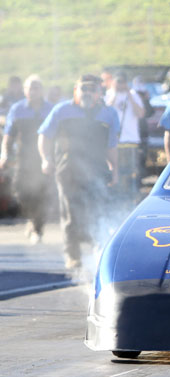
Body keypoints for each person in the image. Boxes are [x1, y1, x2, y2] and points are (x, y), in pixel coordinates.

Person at [38, 74, 120, 269]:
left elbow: (111, 146)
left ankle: (99, 250)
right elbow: (44, 136)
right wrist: (45, 159)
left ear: (100, 92)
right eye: (83, 88)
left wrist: (115, 168)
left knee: (98, 211)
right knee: (71, 213)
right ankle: (72, 255)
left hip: (97, 170)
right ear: (76, 90)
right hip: (68, 170)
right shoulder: (62, 110)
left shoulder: (109, 114)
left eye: (92, 89)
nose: (87, 93)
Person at [0, 75, 53, 243]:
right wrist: (4, 155)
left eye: (36, 88)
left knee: (43, 194)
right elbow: (8, 135)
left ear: (42, 90)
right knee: (21, 192)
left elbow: (59, 135)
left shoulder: (51, 109)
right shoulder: (17, 109)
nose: (33, 91)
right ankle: (31, 218)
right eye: (30, 88)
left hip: (44, 158)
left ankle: (38, 228)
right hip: (24, 158)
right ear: (24, 90)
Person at [104, 72, 145, 204]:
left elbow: (141, 113)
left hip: (131, 141)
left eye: (123, 82)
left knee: (132, 173)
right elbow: (105, 113)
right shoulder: (109, 94)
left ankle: (131, 199)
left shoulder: (133, 95)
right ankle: (117, 199)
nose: (121, 84)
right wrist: (115, 94)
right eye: (118, 82)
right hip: (115, 142)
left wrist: (129, 95)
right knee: (116, 172)